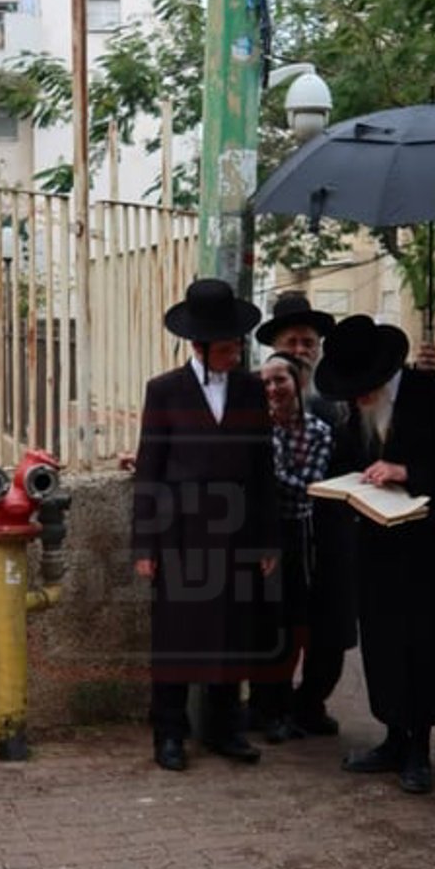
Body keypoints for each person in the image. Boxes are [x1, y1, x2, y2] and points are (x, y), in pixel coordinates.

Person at [316, 315, 435, 794]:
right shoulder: (356, 409)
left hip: (425, 547)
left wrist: (407, 471)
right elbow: (348, 461)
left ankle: (418, 748)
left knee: (425, 646)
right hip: (373, 545)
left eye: (362, 387)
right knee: (384, 645)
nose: (356, 397)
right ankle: (391, 737)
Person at [131, 278, 280, 773]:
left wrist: (266, 540)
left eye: (237, 345)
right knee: (177, 639)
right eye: (224, 348)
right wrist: (145, 546)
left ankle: (225, 728)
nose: (234, 355)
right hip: (180, 536)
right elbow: (149, 470)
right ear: (197, 346)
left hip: (237, 535)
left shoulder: (251, 390)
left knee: (232, 636)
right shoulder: (164, 391)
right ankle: (169, 732)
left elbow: (263, 471)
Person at [254, 289, 355, 732]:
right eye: (292, 343)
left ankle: (310, 704)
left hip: (330, 539)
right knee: (274, 626)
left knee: (327, 631)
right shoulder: (256, 403)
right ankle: (269, 706)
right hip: (275, 538)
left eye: (308, 343)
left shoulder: (342, 404)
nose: (301, 351)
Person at [251, 353, 335, 743]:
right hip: (254, 535)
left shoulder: (318, 430)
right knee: (259, 627)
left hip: (296, 536)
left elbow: (308, 486)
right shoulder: (252, 427)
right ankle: (259, 708)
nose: (272, 389)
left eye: (279, 380)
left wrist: (267, 469)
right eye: (265, 383)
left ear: (298, 382)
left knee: (289, 627)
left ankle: (281, 710)